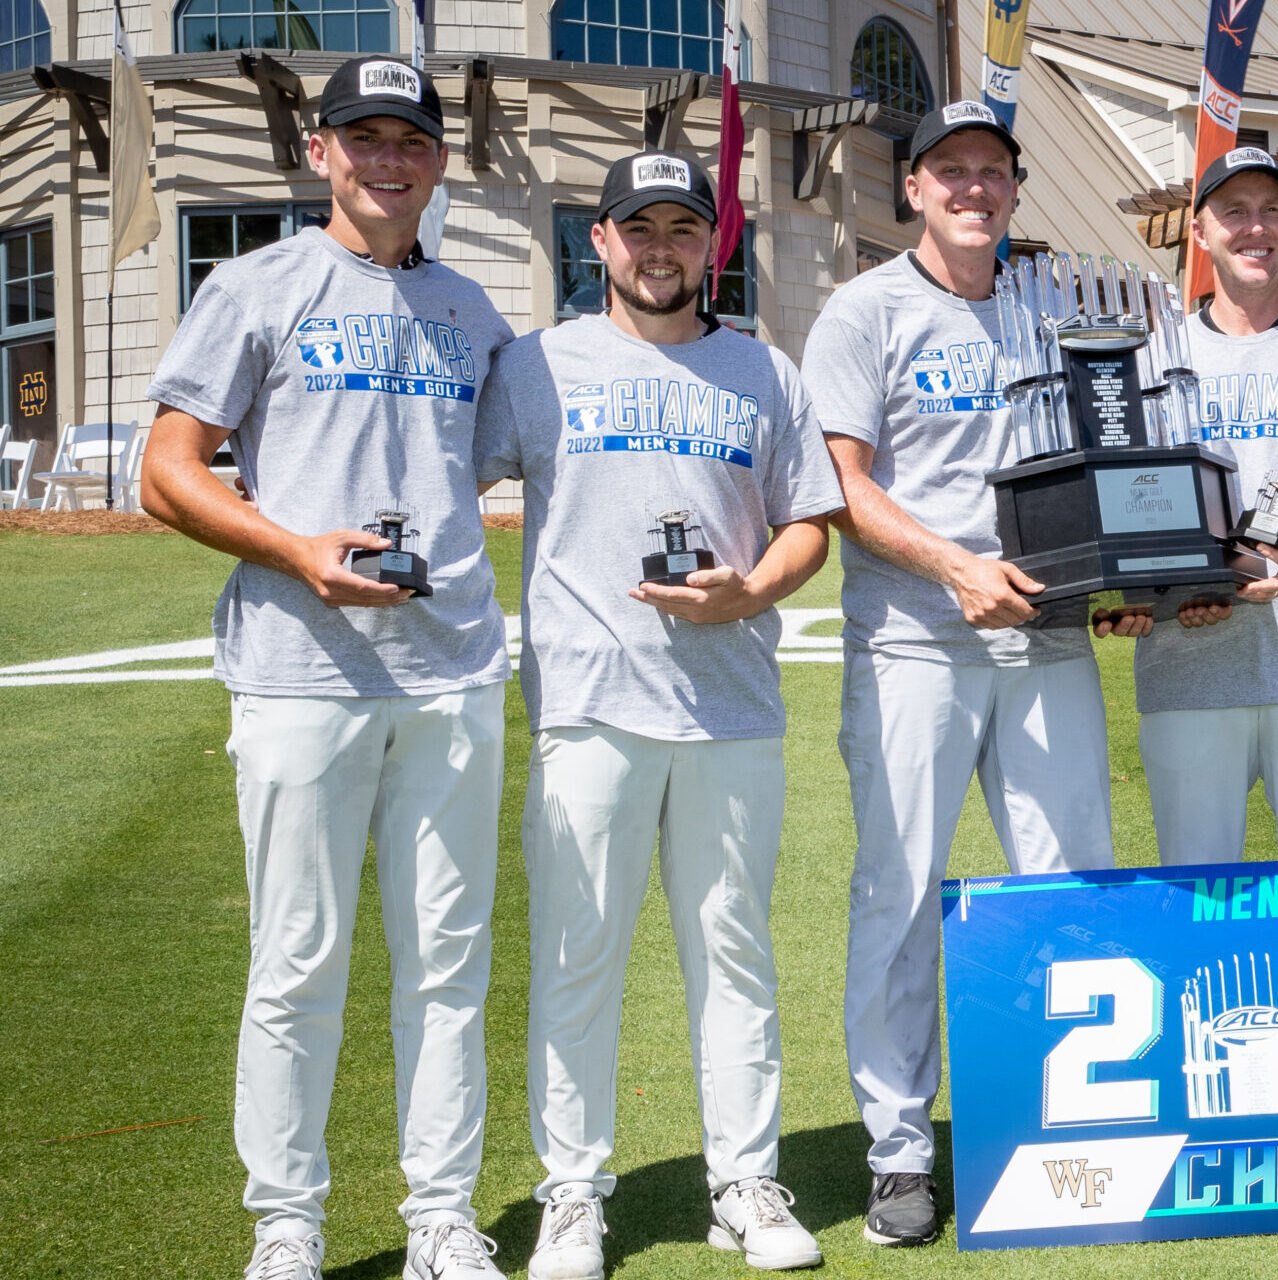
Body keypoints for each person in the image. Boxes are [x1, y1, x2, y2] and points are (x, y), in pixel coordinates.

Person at [137, 55, 517, 1280]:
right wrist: (297, 547)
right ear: (320, 153)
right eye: (363, 138)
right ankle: (287, 1219)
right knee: (298, 958)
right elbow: (168, 469)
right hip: (303, 672)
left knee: (447, 961)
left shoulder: (475, 310)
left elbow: (520, 464)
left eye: (410, 140)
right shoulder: (255, 284)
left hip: (450, 668)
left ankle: (440, 1214)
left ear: (438, 162)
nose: (387, 160)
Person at [475, 151, 840, 1276]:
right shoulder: (538, 363)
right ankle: (573, 1192)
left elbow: (808, 523)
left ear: (710, 243)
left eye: (683, 227)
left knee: (732, 954)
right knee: (579, 956)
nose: (660, 248)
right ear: (600, 243)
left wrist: (754, 589)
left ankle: (742, 1177)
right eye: (639, 229)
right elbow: (447, 480)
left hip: (731, 703)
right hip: (590, 703)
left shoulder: (765, 370)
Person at [800, 100, 1115, 1248]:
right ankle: (898, 1147)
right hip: (914, 639)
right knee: (899, 892)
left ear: (1014, 189)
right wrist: (953, 567)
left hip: (1047, 633)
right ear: (914, 190)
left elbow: (1108, 449)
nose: (972, 187)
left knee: (1069, 879)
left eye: (993, 170)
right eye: (950, 171)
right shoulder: (863, 308)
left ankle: (1075, 1118)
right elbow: (842, 484)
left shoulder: (1050, 308)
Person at [1095, 147, 1278, 864]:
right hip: (1187, 671)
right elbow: (1124, 508)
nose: (1253, 227)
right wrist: (1144, 592)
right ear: (1198, 232)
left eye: (1271, 211)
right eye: (1233, 211)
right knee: (1200, 910)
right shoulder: (1147, 359)